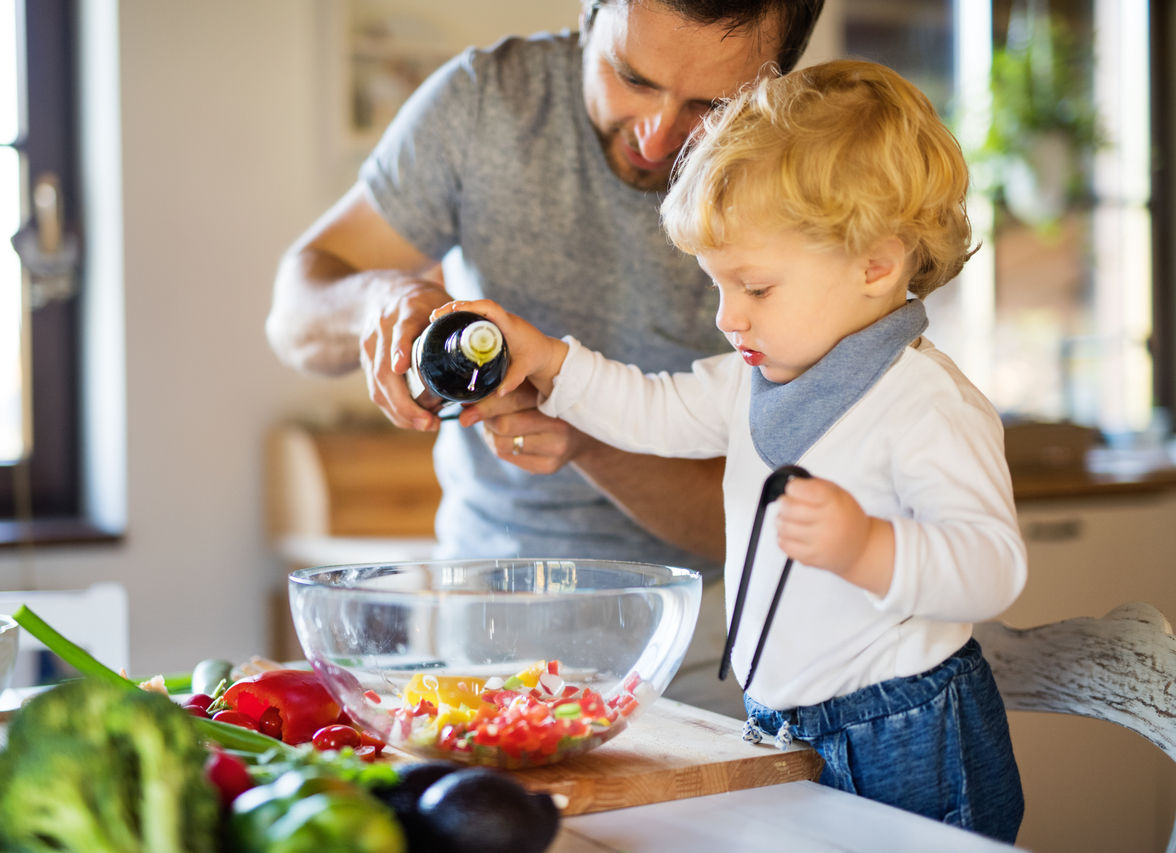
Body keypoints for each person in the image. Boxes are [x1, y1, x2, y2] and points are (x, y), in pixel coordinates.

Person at [434, 59, 1027, 841]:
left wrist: (869, 547)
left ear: (877, 265)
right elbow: (651, 407)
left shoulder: (926, 404)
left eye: (755, 286)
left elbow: (994, 567)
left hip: (906, 730)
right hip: (783, 723)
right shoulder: (754, 378)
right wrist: (550, 361)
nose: (726, 316)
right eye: (718, 285)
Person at [265, 0, 825, 718]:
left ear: (778, 80)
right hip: (480, 613)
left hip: (713, 633)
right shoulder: (485, 103)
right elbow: (293, 314)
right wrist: (378, 300)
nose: (657, 137)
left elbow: (763, 521)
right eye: (632, 77)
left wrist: (586, 433)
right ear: (590, 15)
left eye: (711, 106)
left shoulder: (805, 173)